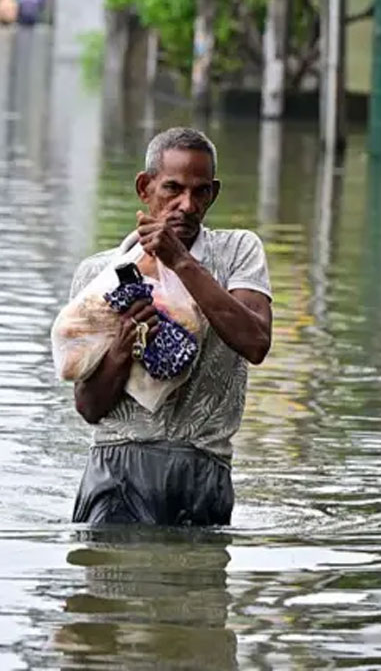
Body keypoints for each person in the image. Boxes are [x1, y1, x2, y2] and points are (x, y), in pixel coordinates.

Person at [65, 127, 273, 527]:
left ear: (213, 194)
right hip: (116, 470)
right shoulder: (100, 274)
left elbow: (256, 342)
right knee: (110, 583)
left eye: (200, 193)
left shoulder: (237, 252)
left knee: (194, 587)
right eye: (172, 189)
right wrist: (120, 352)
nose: (186, 204)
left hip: (201, 469)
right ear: (145, 188)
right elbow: (89, 408)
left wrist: (181, 262)